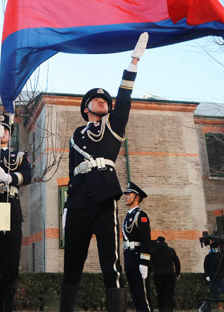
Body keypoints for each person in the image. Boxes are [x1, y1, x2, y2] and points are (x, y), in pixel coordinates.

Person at [60, 32, 149, 312]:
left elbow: (123, 99)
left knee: (109, 262)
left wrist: (133, 62)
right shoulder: (76, 134)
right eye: (96, 100)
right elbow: (72, 170)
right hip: (77, 201)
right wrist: (66, 205)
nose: (102, 102)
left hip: (102, 199)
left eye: (104, 100)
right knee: (72, 262)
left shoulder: (113, 127)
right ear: (86, 108)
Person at [0, 112, 31, 312]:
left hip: (10, 210)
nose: (2, 131)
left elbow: (27, 175)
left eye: (6, 129)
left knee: (9, 268)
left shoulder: (18, 156)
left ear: (10, 133)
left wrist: (9, 177)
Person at [122, 181, 152, 312]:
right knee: (135, 296)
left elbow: (146, 240)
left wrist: (144, 262)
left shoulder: (141, 215)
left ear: (137, 197)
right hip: (130, 259)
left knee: (142, 296)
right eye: (126, 194)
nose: (126, 196)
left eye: (129, 194)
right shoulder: (128, 216)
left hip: (139, 259)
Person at [152, 236, 181, 312]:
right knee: (169, 294)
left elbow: (150, 263)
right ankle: (168, 310)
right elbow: (177, 262)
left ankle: (161, 309)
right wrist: (177, 273)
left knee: (160, 293)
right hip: (170, 275)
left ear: (157, 241)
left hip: (158, 275)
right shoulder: (171, 250)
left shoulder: (153, 251)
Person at [204, 243, 224, 310]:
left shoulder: (221, 256)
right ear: (212, 249)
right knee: (215, 291)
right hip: (212, 276)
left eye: (217, 248)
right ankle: (219, 304)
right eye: (214, 248)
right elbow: (206, 267)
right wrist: (207, 275)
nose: (216, 250)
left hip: (221, 276)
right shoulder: (208, 257)